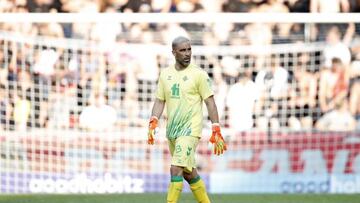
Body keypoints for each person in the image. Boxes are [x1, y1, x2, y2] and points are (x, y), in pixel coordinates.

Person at [147, 36, 227, 203]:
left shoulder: (199, 74)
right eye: (182, 50)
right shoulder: (165, 74)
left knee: (176, 168)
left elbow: (210, 102)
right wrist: (154, 120)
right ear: (174, 52)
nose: (187, 53)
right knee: (188, 173)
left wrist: (216, 128)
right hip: (173, 130)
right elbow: (160, 100)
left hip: (190, 129)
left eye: (189, 49)